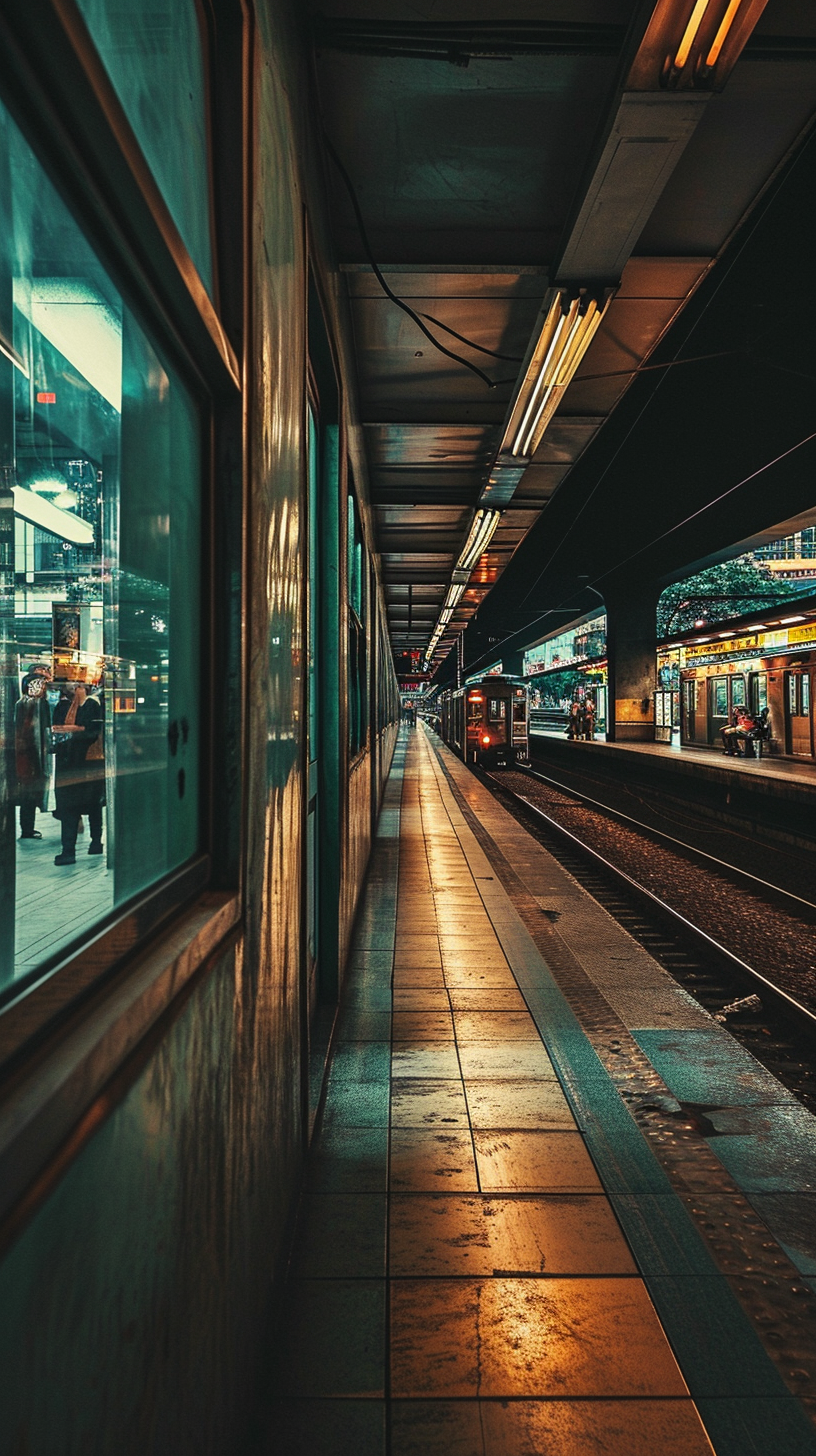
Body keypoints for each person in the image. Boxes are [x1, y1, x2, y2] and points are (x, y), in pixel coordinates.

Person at [51, 680, 105, 865]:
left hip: (86, 763)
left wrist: (74, 730)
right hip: (69, 763)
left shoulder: (92, 705)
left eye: (78, 684)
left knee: (91, 805)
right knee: (71, 808)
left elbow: (93, 731)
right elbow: (55, 730)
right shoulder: (63, 705)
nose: (74, 687)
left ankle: (94, 842)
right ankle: (69, 850)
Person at [14, 667, 52, 839]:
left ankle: (27, 828)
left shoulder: (22, 703)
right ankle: (27, 828)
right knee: (30, 792)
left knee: (29, 793)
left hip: (28, 754)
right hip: (31, 754)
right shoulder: (36, 704)